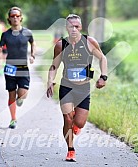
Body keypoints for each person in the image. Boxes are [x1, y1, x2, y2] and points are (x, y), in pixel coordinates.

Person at [47, 14, 108, 162]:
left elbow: (103, 58)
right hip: (67, 86)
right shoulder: (61, 45)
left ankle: (75, 127)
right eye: (71, 26)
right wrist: (50, 80)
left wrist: (103, 77)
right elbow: (54, 65)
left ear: (81, 27)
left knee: (79, 123)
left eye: (77, 26)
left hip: (83, 88)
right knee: (68, 119)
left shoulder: (89, 42)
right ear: (66, 28)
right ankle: (70, 150)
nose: (74, 29)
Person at [0, 7, 36, 129]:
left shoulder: (27, 33)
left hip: (23, 68)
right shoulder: (5, 34)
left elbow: (33, 43)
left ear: (21, 17)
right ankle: (13, 119)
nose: (15, 18)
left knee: (23, 94)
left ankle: (20, 98)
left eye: (17, 16)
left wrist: (33, 55)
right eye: (12, 16)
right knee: (11, 94)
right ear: (9, 19)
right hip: (10, 68)